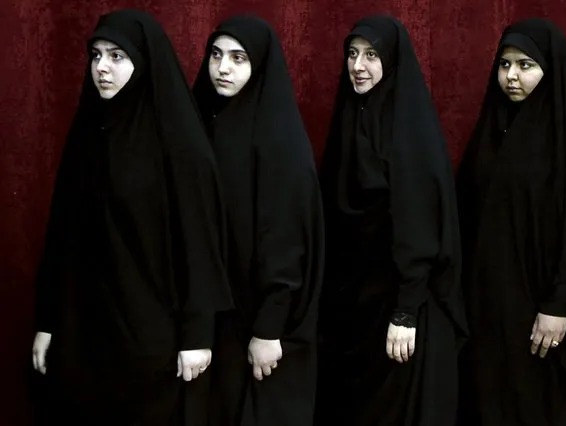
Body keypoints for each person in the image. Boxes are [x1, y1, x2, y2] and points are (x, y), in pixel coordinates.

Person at [31, 9, 233, 425]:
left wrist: (197, 335)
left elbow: (198, 241)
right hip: (84, 332)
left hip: (151, 338)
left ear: (144, 63)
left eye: (118, 57)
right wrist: (48, 323)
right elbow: (63, 238)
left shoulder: (180, 145)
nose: (102, 68)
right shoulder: (88, 134)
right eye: (97, 55)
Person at [456, 18, 566, 426]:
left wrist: (560, 301)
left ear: (551, 70)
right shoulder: (492, 134)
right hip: (490, 309)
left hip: (543, 312)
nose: (512, 76)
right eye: (505, 64)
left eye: (526, 65)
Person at [315, 15, 467, 426]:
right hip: (357, 308)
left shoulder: (409, 132)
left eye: (371, 55)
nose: (357, 65)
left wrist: (406, 312)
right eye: (352, 53)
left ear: (393, 62)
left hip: (404, 309)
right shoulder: (353, 118)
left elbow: (419, 229)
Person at [191, 15, 324, 426]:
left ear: (260, 66)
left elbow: (286, 241)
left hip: (264, 324)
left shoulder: (277, 138)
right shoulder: (203, 123)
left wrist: (269, 329)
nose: (223, 68)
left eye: (238, 58)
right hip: (218, 320)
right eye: (215, 56)